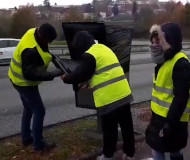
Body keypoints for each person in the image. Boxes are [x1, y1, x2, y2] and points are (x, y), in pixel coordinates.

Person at [61, 31, 135, 160]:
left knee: (109, 131)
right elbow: (101, 72)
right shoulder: (104, 48)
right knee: (127, 128)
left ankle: (108, 156)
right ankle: (130, 154)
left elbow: (82, 74)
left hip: (109, 99)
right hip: (124, 94)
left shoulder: (90, 55)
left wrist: (67, 78)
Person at [8, 23, 63, 152]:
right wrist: (52, 74)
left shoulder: (33, 32)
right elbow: (30, 74)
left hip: (15, 78)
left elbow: (44, 50)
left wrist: (56, 60)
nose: (49, 42)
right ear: (41, 36)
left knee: (29, 108)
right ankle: (39, 145)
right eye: (48, 40)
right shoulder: (30, 51)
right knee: (39, 110)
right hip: (23, 82)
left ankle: (26, 138)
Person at [145, 22, 190, 160]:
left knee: (159, 151)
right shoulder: (165, 61)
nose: (154, 45)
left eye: (158, 41)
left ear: (170, 41)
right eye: (153, 42)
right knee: (174, 150)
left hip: (170, 122)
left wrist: (168, 124)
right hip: (161, 119)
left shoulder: (180, 63)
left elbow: (181, 98)